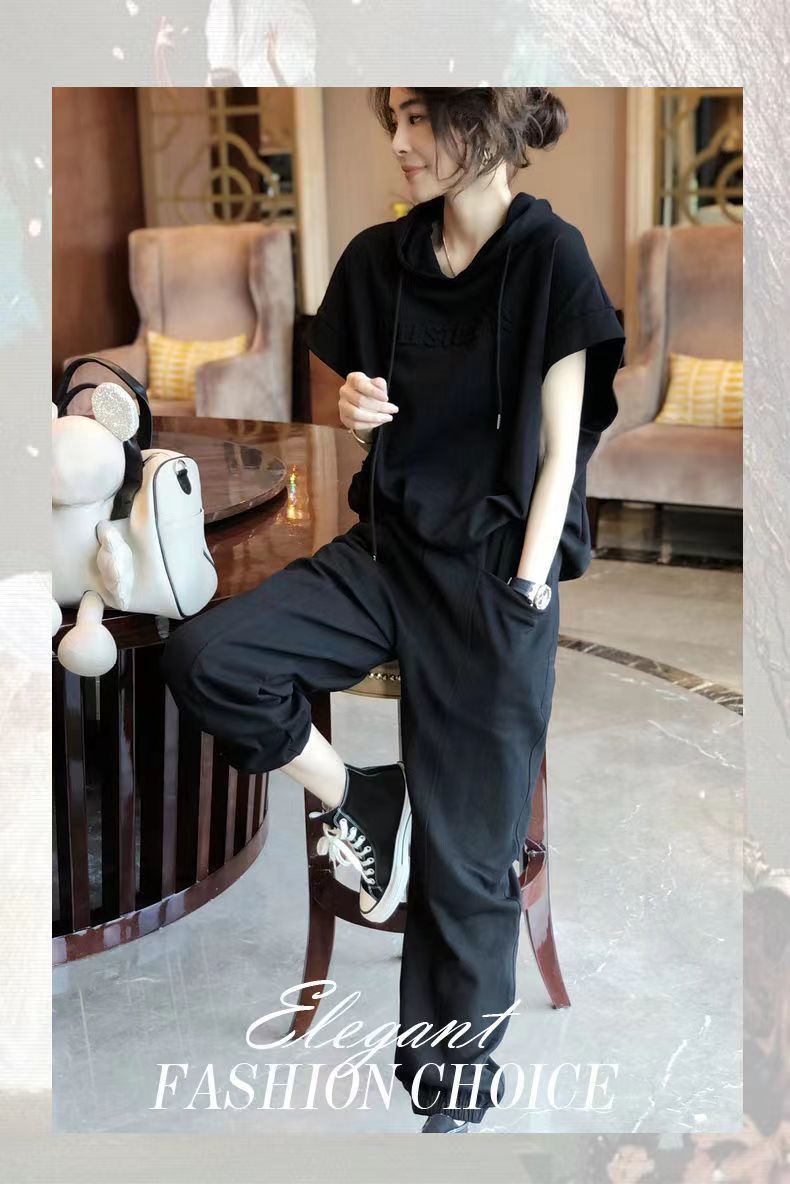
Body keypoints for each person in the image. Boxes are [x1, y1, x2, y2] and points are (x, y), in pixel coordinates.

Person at [160, 86, 626, 1133]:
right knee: (210, 655)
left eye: (423, 118)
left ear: (485, 121)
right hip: (385, 553)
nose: (403, 142)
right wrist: (354, 413)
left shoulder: (550, 259)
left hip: (496, 574)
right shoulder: (381, 259)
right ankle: (365, 798)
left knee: (467, 863)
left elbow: (563, 450)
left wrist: (527, 585)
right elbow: (379, 422)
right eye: (396, 120)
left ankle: (450, 1097)